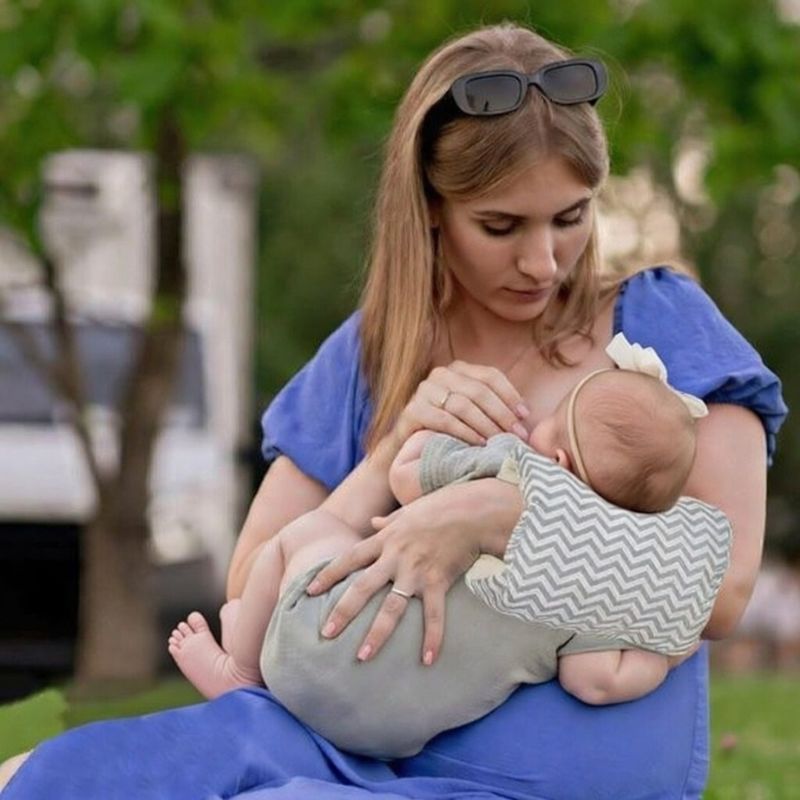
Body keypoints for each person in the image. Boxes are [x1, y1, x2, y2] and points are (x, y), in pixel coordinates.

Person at [0, 21, 787, 800]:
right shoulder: (371, 355)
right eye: (501, 226)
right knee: (67, 776)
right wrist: (393, 451)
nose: (543, 261)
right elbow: (253, 582)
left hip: (550, 788)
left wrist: (494, 514)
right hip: (339, 751)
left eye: (571, 217)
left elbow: (721, 591)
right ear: (432, 208)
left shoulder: (658, 324)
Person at [167, 333, 725, 761]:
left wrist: (448, 438)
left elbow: (408, 475)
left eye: (550, 425)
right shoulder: (599, 593)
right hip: (396, 733)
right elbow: (595, 683)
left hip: (321, 643)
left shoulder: (515, 466)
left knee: (301, 536)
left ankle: (240, 671)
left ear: (559, 461)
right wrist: (658, 654)